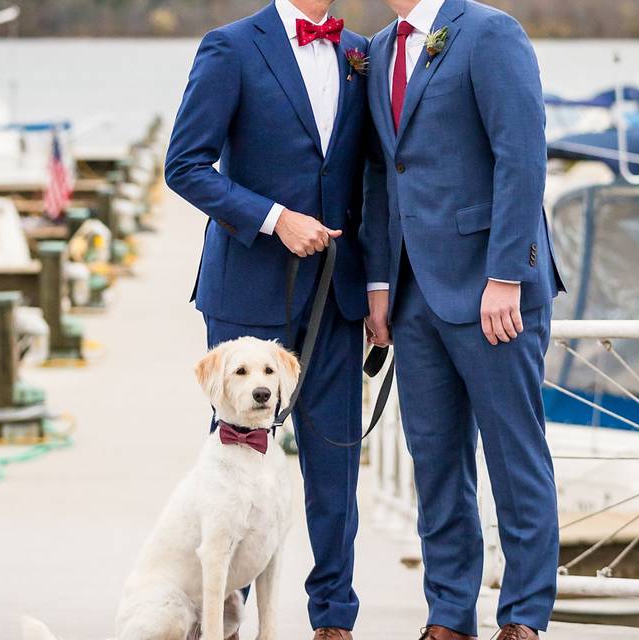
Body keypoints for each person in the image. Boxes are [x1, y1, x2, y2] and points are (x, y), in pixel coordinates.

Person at [165, 0, 382, 637]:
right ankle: (224, 614)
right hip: (248, 293)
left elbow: (372, 174)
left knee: (335, 464)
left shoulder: (358, 53)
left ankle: (333, 619)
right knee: (236, 469)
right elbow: (184, 166)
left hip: (335, 294)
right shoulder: (229, 47)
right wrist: (273, 219)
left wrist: (377, 283)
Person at [360, 0, 566, 638]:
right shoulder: (380, 50)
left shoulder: (491, 33)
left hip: (492, 291)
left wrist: (506, 274)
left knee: (515, 457)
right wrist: (378, 281)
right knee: (436, 463)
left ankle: (524, 618)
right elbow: (380, 173)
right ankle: (449, 614)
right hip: (412, 293)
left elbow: (523, 158)